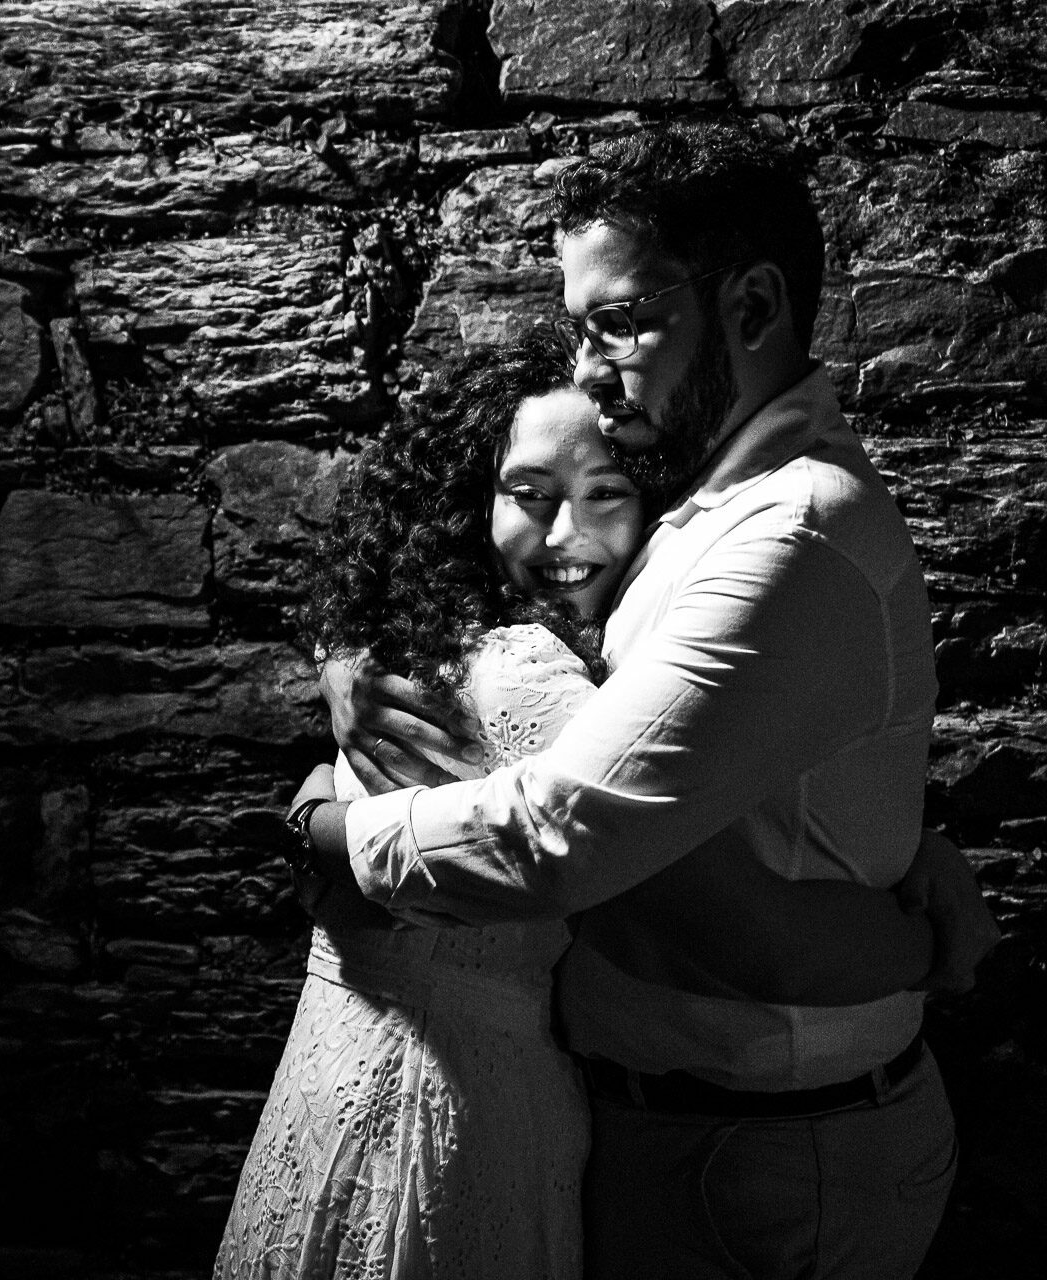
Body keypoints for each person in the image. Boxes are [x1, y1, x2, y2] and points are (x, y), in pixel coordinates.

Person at [292, 121, 1002, 1278]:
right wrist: (345, 682)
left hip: (762, 1154)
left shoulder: (789, 531)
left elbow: (572, 836)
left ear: (753, 307)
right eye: (578, 328)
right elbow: (736, 763)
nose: (586, 368)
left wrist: (325, 827)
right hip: (668, 1124)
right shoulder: (698, 493)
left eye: (619, 322)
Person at [214, 332, 945, 1280]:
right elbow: (708, 926)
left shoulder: (424, 639)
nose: (566, 536)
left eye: (606, 493)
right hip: (452, 1102)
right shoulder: (529, 673)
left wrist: (319, 809)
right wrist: (928, 942)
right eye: (530, 495)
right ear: (468, 504)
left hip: (343, 1079)